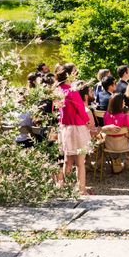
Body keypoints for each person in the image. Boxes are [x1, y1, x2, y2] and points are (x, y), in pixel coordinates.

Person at [56, 67, 91, 196]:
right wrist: (88, 122)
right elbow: (81, 110)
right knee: (80, 162)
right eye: (75, 71)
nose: (76, 74)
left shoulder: (58, 90)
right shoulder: (72, 92)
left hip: (65, 128)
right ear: (69, 74)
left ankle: (67, 189)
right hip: (77, 128)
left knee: (68, 160)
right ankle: (81, 190)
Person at [103, 93, 129, 173]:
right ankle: (128, 160)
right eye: (123, 101)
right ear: (120, 104)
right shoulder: (125, 116)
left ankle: (116, 161)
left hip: (109, 145)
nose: (125, 103)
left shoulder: (106, 114)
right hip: (124, 145)